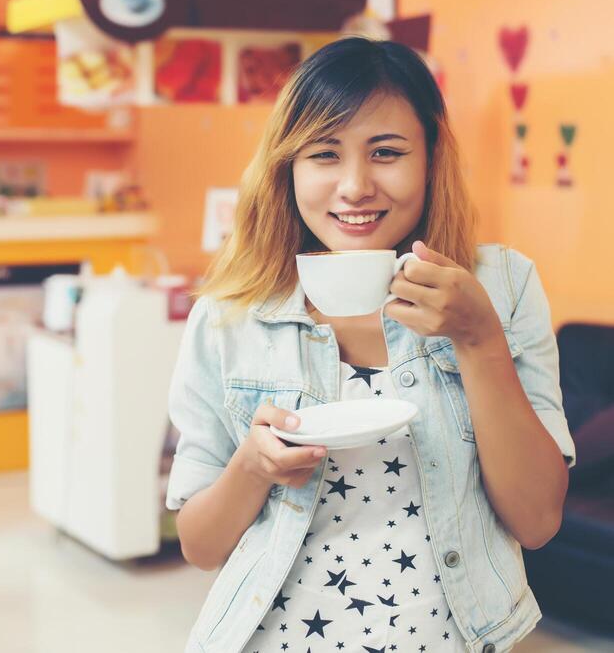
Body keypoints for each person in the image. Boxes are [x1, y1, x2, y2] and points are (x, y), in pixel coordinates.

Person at [166, 37, 575, 653]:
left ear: (432, 158)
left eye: (386, 152)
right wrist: (253, 464)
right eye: (323, 154)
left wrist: (478, 338)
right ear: (289, 167)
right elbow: (199, 546)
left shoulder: (503, 286)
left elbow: (538, 521)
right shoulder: (228, 317)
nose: (354, 186)